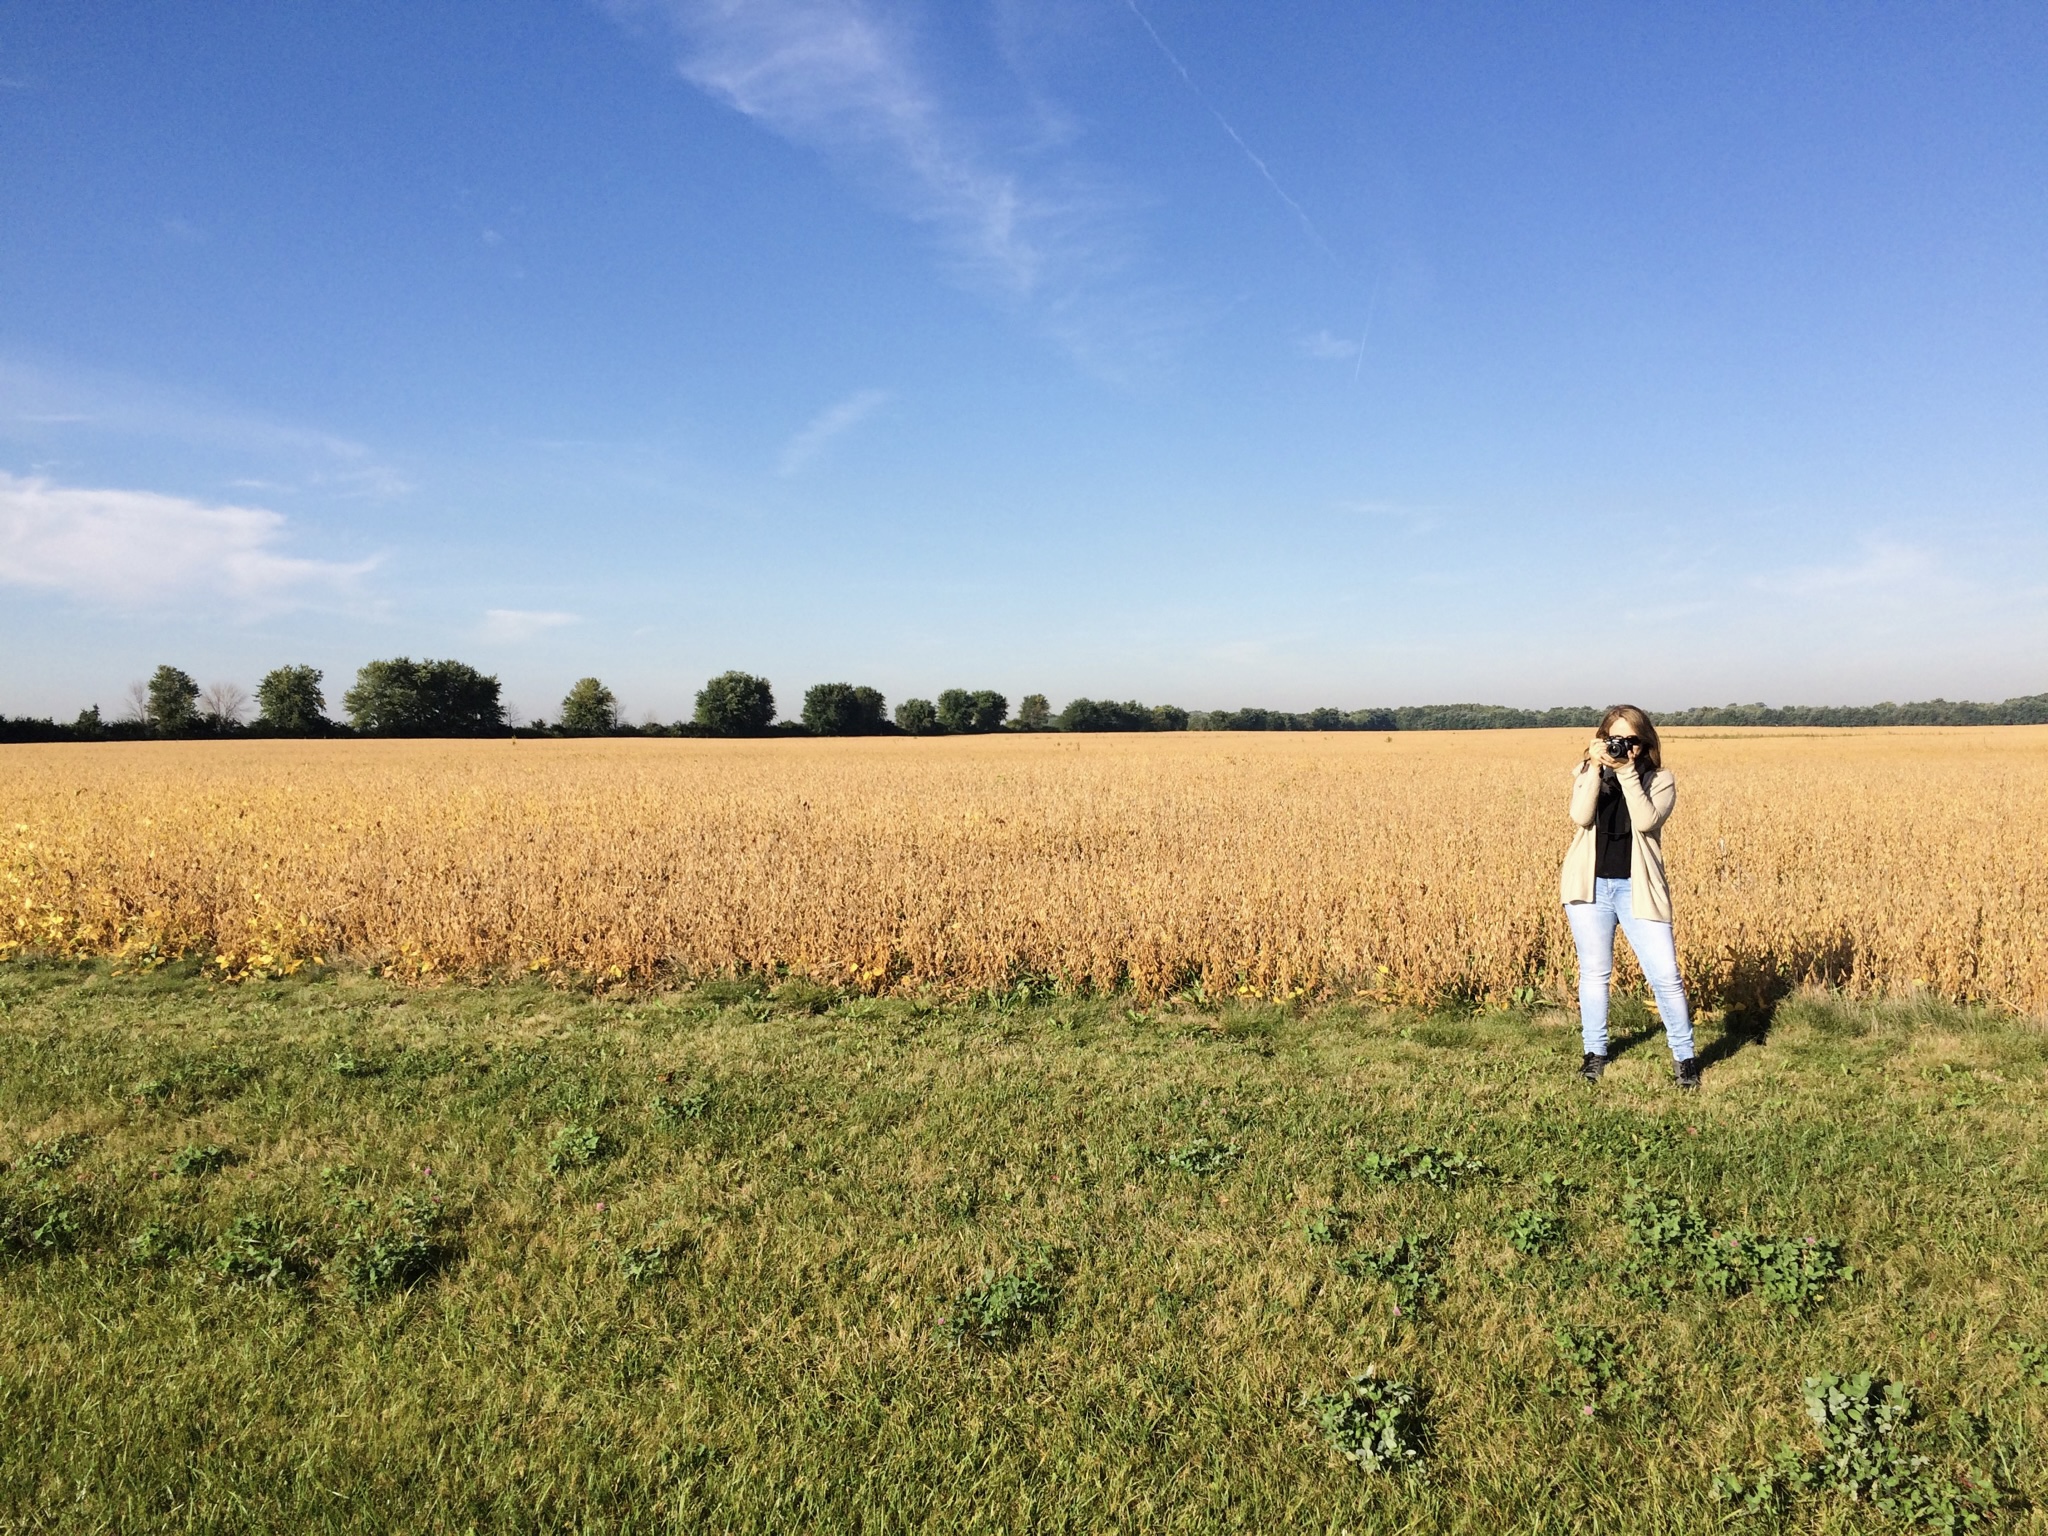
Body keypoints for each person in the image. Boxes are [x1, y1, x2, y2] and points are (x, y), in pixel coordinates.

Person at [1559, 705, 1700, 1090]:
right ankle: (1595, 1053)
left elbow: (1646, 820)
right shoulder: (1588, 772)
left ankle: (1684, 1058)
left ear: (1645, 743)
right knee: (1594, 974)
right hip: (1590, 886)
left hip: (1639, 888)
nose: (1624, 746)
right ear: (1603, 738)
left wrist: (1626, 774)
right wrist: (1594, 767)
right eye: (1615, 739)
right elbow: (1580, 816)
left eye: (1632, 740)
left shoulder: (1660, 780)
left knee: (1666, 975)